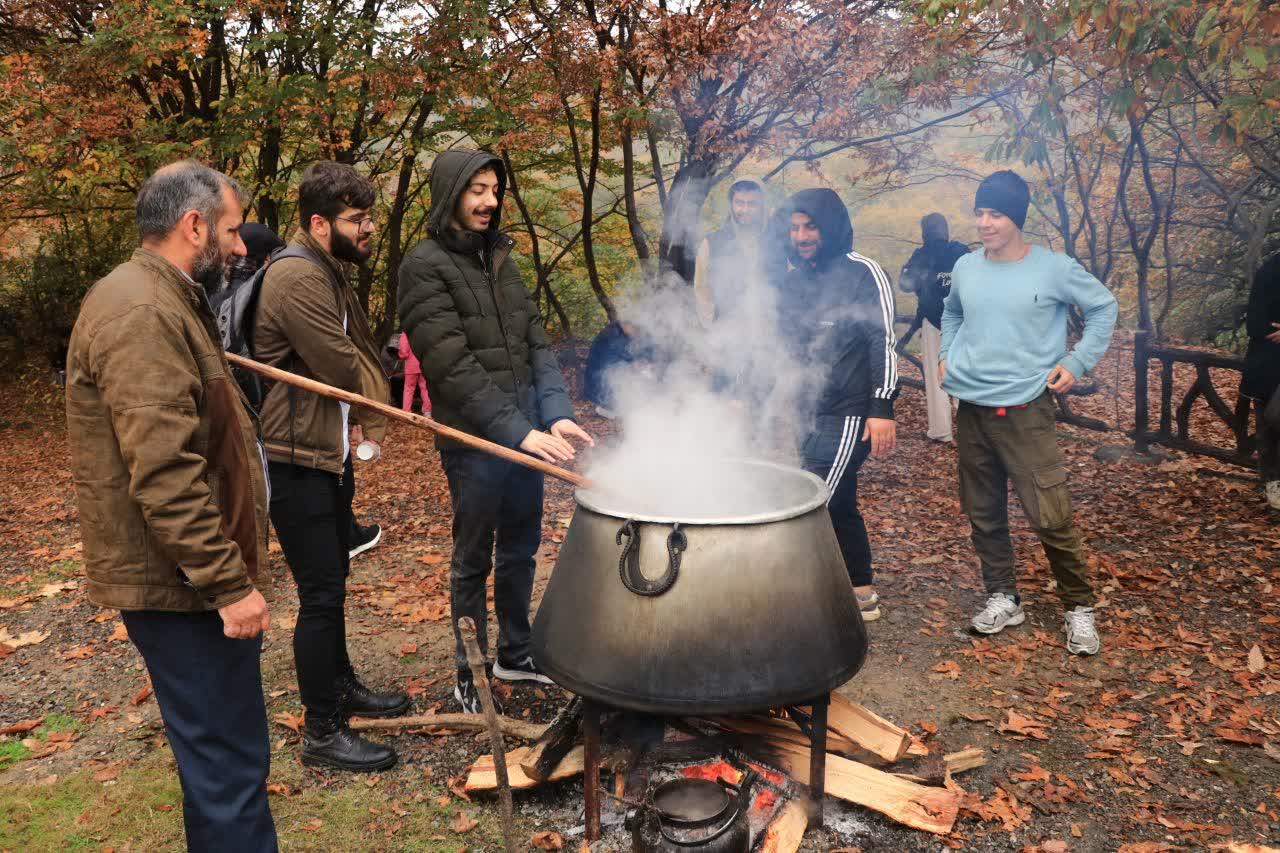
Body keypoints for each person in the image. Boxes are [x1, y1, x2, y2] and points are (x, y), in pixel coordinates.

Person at [65, 160, 277, 850]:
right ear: (193, 226)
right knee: (229, 770)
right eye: (233, 229)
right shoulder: (142, 311)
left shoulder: (167, 298)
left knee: (218, 766)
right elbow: (164, 472)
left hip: (185, 581)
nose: (242, 246)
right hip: (182, 587)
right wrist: (227, 581)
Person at [398, 150, 594, 713]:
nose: (488, 201)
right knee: (472, 557)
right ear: (450, 194)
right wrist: (517, 431)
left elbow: (536, 342)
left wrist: (554, 411)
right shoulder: (424, 266)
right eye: (475, 189)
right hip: (474, 442)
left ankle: (515, 650)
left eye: (493, 189)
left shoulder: (501, 258)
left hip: (524, 436)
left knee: (520, 549)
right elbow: (451, 368)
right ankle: (471, 668)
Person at [254, 161, 409, 772]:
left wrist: (364, 412)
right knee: (320, 593)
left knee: (333, 582)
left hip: (326, 450)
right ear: (320, 224)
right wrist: (381, 402)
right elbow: (344, 365)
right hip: (293, 457)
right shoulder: (296, 277)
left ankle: (342, 687)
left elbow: (359, 353)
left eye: (368, 215)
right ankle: (322, 731)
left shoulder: (327, 270)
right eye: (355, 218)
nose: (367, 228)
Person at [940, 170, 1117, 655]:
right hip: (972, 407)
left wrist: (1076, 361)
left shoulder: (1053, 269)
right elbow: (951, 312)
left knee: (1050, 515)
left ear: (1015, 217)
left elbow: (1104, 307)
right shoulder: (966, 267)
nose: (984, 223)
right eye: (979, 212)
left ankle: (1078, 608)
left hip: (1025, 408)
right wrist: (945, 355)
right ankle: (1004, 596)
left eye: (994, 213)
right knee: (984, 512)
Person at [776, 188, 898, 622]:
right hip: (806, 408)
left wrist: (882, 406)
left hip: (851, 409)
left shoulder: (864, 272)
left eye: (810, 226)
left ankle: (804, 594)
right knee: (837, 498)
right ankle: (860, 591)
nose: (802, 235)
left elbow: (882, 340)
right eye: (794, 227)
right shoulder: (793, 280)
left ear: (830, 226)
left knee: (818, 496)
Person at [899, 213, 970, 443]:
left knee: (935, 376)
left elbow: (905, 285)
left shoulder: (921, 255)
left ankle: (941, 431)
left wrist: (906, 269)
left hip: (932, 321)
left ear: (924, 232)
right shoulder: (960, 251)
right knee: (963, 372)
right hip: (962, 322)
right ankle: (970, 426)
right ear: (945, 229)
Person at [693, 179, 767, 328]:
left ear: (762, 206)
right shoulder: (711, 243)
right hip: (726, 334)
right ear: (731, 205)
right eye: (739, 203)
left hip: (768, 333)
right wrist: (711, 329)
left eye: (752, 204)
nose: (745, 210)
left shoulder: (774, 241)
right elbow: (702, 290)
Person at [1241, 252, 1280, 509]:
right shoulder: (1270, 270)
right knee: (1267, 428)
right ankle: (1272, 487)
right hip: (1268, 365)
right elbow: (1255, 324)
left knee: (1275, 417)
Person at [398, 329, 431, 415]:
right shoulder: (425, 331)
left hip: (411, 366)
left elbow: (404, 352)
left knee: (409, 389)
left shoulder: (406, 332)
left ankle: (406, 412)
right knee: (425, 388)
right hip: (424, 364)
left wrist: (401, 355)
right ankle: (427, 412)